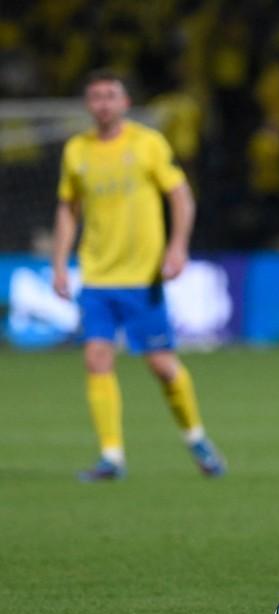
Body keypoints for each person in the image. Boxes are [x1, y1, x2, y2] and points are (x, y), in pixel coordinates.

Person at [51, 70, 226, 482]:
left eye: (111, 96)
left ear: (125, 104)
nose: (103, 104)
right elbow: (67, 208)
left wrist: (178, 245)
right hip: (96, 276)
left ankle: (196, 437)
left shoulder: (147, 144)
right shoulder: (77, 150)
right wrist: (60, 263)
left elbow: (181, 196)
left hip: (141, 278)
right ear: (87, 105)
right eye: (95, 97)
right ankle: (111, 457)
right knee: (96, 359)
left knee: (162, 366)